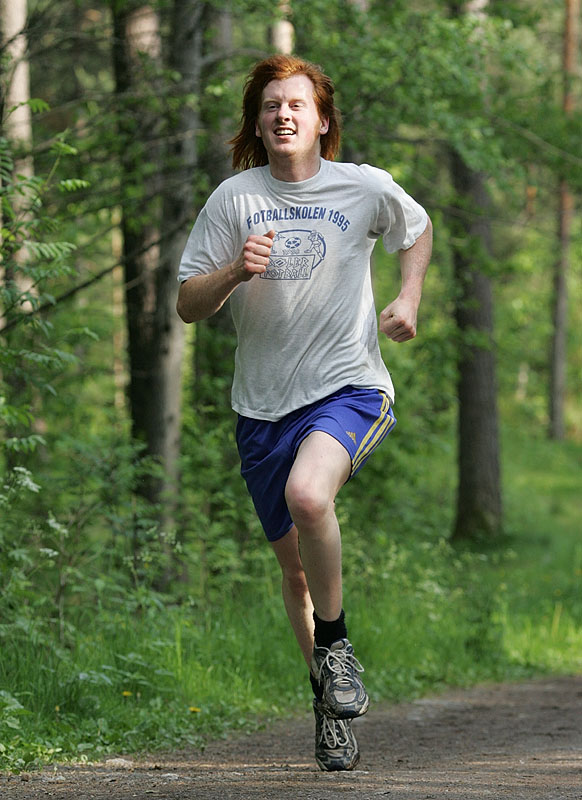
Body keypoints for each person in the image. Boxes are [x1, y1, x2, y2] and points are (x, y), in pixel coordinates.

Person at [176, 55, 432, 772]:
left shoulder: (363, 187)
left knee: (309, 495)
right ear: (257, 124)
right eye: (270, 106)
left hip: (349, 387)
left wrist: (409, 297)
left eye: (295, 104)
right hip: (261, 408)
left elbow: (416, 228)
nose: (282, 114)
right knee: (294, 574)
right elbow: (187, 305)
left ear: (322, 120)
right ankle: (327, 698)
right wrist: (235, 270)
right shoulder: (234, 199)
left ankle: (337, 645)